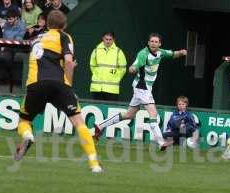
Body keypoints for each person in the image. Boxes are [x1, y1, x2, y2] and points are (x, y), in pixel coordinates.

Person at [14, 10, 102, 173]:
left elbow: (45, 59)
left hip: (35, 84)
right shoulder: (64, 36)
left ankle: (27, 136)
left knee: (24, 121)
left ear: (47, 24)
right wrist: (68, 84)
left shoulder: (36, 39)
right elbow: (68, 61)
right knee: (78, 122)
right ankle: (94, 164)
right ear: (64, 26)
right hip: (58, 84)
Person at [94, 33, 187, 150]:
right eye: (151, 41)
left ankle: (100, 126)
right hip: (142, 87)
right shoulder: (143, 54)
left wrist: (181, 52)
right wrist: (133, 68)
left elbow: (172, 54)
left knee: (129, 115)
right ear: (148, 43)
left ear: (159, 44)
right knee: (153, 114)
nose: (153, 43)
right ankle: (161, 143)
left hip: (142, 88)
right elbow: (135, 65)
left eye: (156, 42)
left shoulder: (160, 53)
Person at [89, 31, 127, 101]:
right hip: (97, 88)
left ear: (113, 40)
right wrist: (98, 74)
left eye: (110, 39)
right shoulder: (96, 50)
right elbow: (92, 66)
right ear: (103, 39)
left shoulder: (118, 52)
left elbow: (123, 69)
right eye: (106, 39)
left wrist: (115, 76)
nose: (108, 41)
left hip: (112, 89)